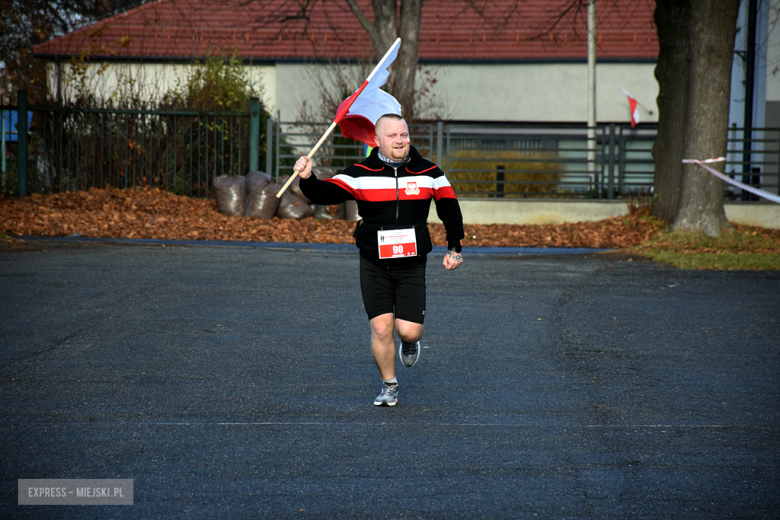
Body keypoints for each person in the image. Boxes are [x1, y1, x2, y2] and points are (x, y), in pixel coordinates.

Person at [294, 114, 464, 406]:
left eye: (404, 134)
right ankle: (389, 385)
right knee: (382, 328)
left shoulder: (429, 171)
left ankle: (410, 342)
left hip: (411, 262)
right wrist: (307, 177)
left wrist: (455, 247)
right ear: (377, 140)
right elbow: (325, 194)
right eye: (393, 136)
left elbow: (449, 206)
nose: (400, 141)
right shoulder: (360, 171)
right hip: (374, 261)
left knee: (407, 329)